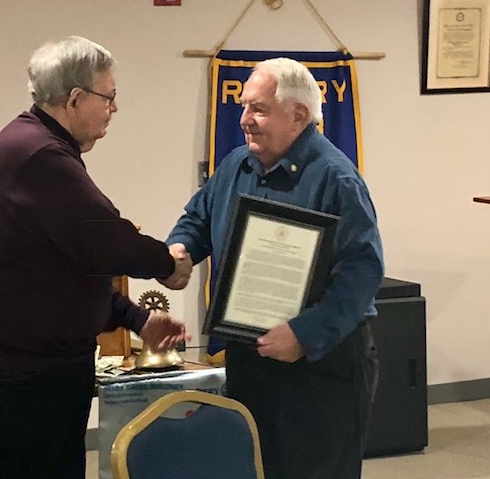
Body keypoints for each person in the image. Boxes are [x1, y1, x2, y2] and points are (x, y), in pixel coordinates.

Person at [0, 36, 192, 479]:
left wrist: (138, 319)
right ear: (76, 98)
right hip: (18, 382)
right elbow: (106, 239)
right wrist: (168, 263)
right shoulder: (40, 155)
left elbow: (66, 265)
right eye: (109, 97)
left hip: (26, 374)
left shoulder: (34, 146)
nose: (115, 108)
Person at [167, 58, 384, 479]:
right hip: (250, 359)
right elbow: (197, 218)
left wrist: (304, 334)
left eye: (259, 109)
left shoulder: (337, 179)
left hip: (319, 367)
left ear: (298, 116)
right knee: (254, 468)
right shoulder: (236, 164)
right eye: (244, 107)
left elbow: (362, 274)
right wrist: (180, 249)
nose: (245, 120)